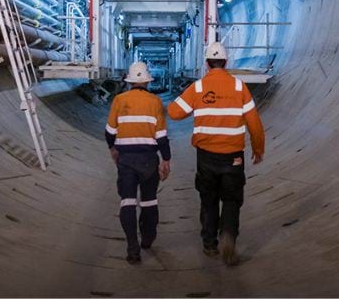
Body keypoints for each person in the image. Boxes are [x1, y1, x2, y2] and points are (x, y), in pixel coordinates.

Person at [168, 42, 265, 266]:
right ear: (226, 62)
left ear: (206, 63)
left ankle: (209, 244)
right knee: (231, 200)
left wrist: (196, 106)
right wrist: (258, 149)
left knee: (208, 199)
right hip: (233, 156)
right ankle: (228, 236)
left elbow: (173, 112)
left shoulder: (199, 88)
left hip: (206, 157)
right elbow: (254, 123)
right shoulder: (240, 87)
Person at [105, 61, 172, 264]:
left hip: (126, 160)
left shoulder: (119, 100)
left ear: (130, 82)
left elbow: (109, 132)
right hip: (149, 160)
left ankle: (132, 248)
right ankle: (148, 238)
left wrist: (113, 149)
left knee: (127, 201)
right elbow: (161, 136)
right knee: (149, 200)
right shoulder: (155, 102)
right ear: (147, 82)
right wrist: (166, 159)